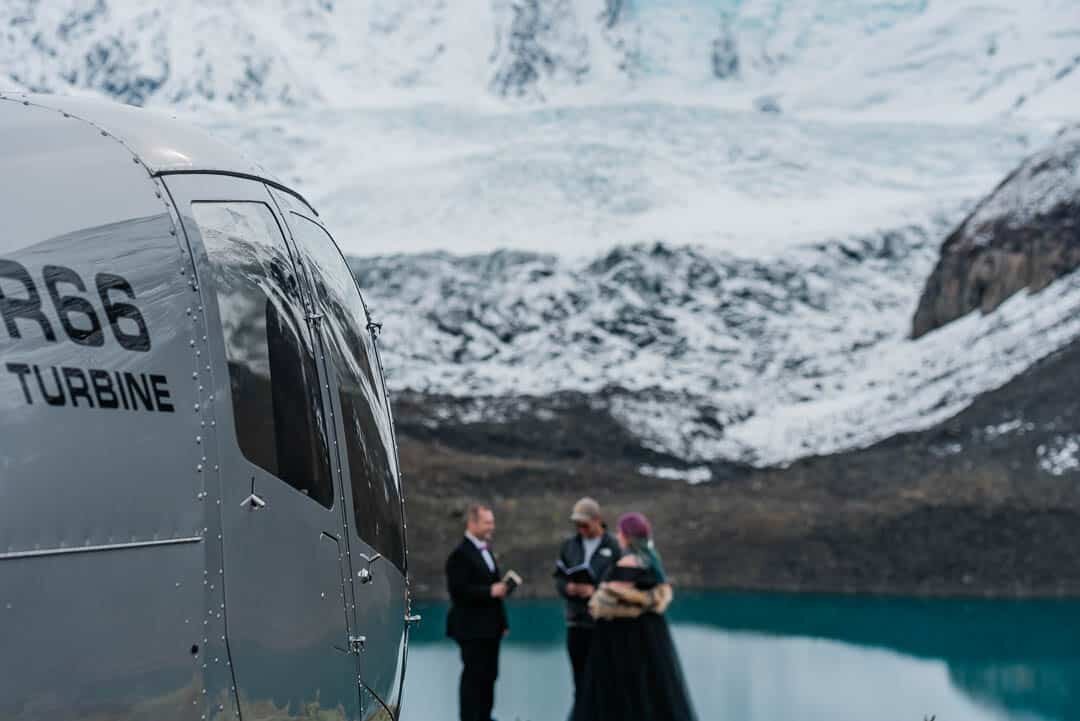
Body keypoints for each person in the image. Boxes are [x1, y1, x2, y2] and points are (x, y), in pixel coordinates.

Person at [573, 512, 698, 721]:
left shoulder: (629, 562)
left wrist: (597, 596)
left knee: (622, 693)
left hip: (624, 636)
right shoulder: (652, 558)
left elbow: (607, 597)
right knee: (653, 690)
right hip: (651, 634)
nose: (617, 535)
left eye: (620, 531)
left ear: (626, 535)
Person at [553, 497, 620, 718]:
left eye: (585, 525)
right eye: (577, 525)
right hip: (576, 621)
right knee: (580, 680)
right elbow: (559, 578)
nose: (581, 529)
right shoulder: (569, 546)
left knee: (606, 680)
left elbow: (623, 583)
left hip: (604, 623)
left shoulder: (614, 546)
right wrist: (568, 588)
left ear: (598, 520)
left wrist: (596, 591)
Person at [446, 504, 510, 721]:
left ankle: (485, 716)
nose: (492, 526)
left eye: (492, 521)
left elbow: (494, 588)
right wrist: (490, 591)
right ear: (472, 523)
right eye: (487, 522)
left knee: (490, 676)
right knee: (474, 677)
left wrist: (503, 623)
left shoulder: (486, 550)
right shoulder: (459, 555)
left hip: (491, 628)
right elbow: (458, 592)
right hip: (471, 629)